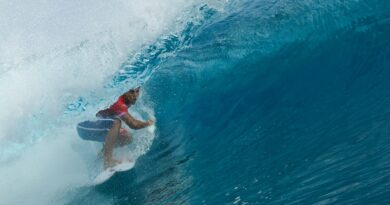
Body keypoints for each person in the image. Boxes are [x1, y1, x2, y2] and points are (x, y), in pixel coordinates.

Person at [77, 87, 154, 168]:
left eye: (137, 91)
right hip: (83, 127)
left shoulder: (123, 102)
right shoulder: (119, 103)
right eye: (131, 91)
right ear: (124, 91)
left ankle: (99, 159)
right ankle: (107, 161)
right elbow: (133, 125)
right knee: (116, 123)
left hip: (95, 127)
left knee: (126, 137)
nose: (134, 95)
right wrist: (148, 123)